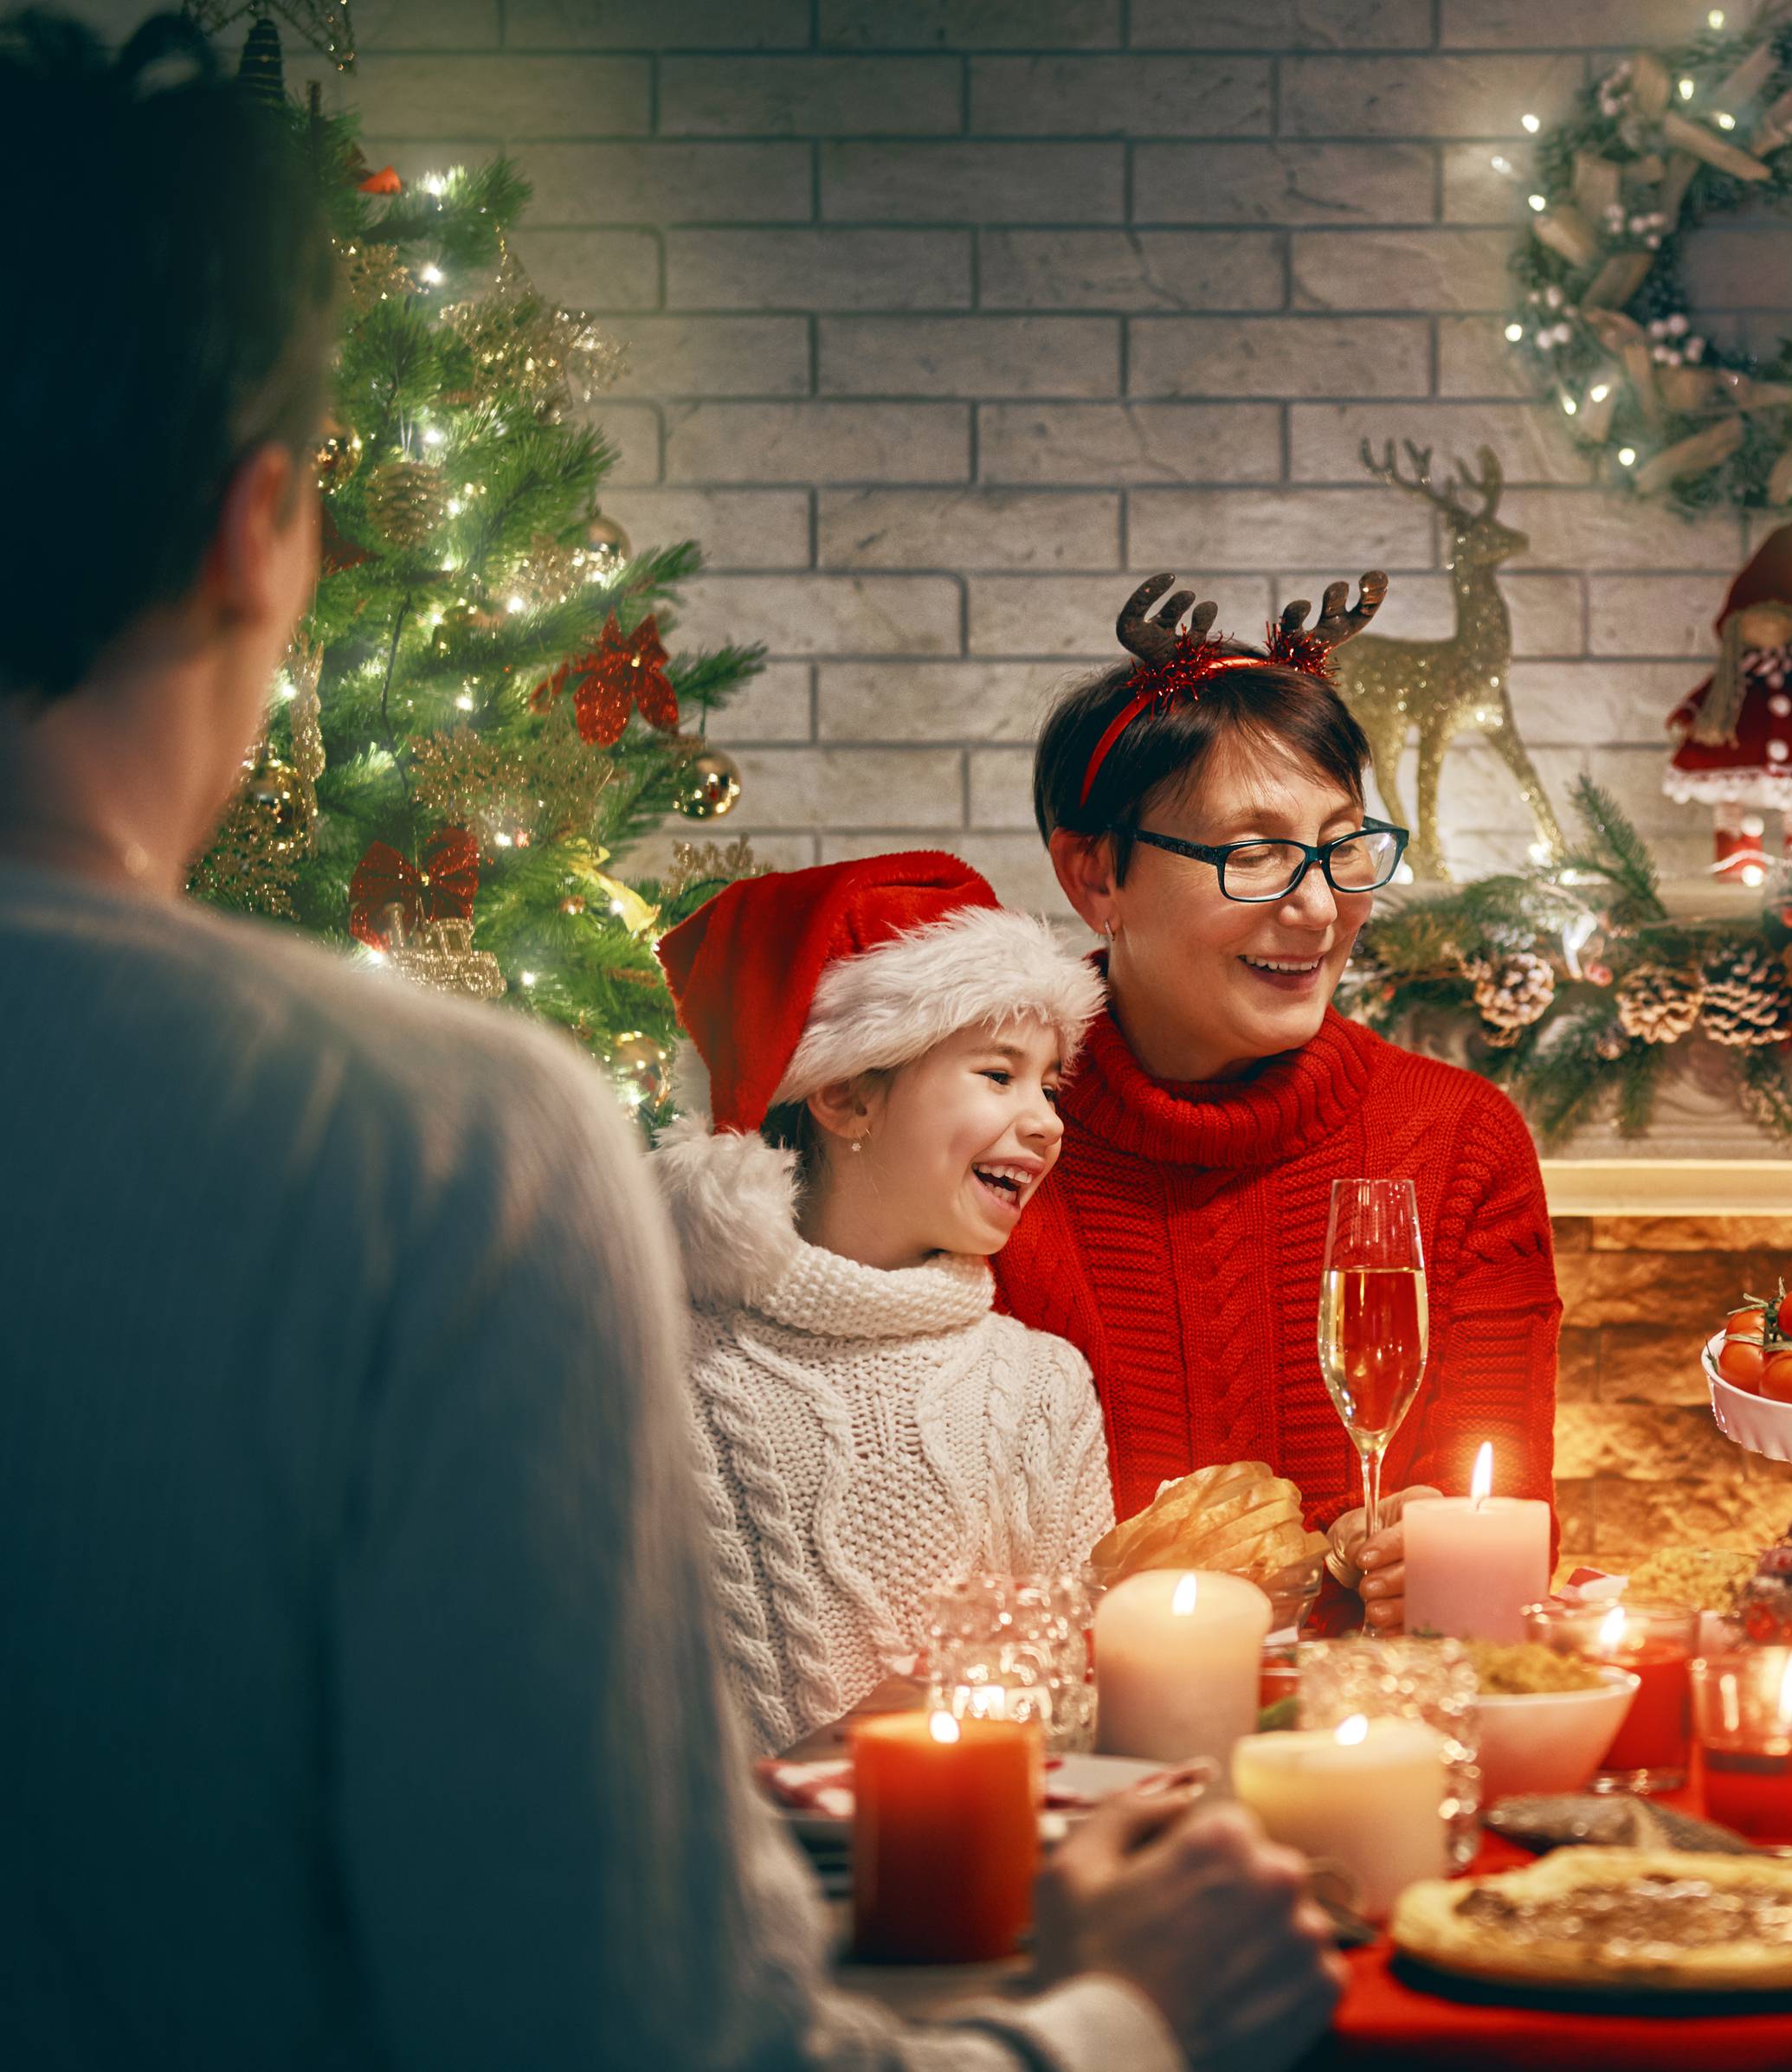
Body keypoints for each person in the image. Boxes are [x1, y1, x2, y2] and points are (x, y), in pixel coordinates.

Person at [0, 15, 1337, 2067]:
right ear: (257, 533)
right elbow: (637, 2037)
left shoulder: (1002, 1357)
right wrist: (1121, 2022)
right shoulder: (425, 1158)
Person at [993, 575, 1563, 1634]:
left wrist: (1439, 1545)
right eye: (1252, 853)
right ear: (1094, 876)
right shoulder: (990, 1138)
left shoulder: (1457, 1142)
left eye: (1341, 845)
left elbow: (1510, 1523)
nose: (1315, 907)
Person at [650, 853, 1112, 1753]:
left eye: (1050, 1082)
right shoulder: (664, 1375)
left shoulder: (1041, 1388)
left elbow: (1077, 1709)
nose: (1049, 1119)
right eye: (998, 1074)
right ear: (845, 1094)